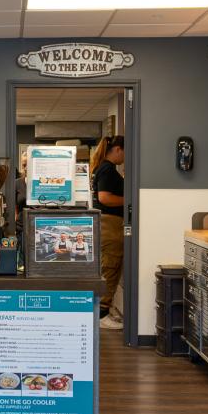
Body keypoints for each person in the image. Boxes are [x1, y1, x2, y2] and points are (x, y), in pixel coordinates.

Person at [91, 135, 125, 329]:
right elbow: (104, 198)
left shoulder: (103, 168)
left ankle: (103, 310)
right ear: (118, 149)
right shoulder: (107, 169)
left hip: (108, 223)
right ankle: (102, 314)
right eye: (125, 152)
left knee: (109, 266)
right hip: (110, 224)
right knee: (110, 267)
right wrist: (128, 199)